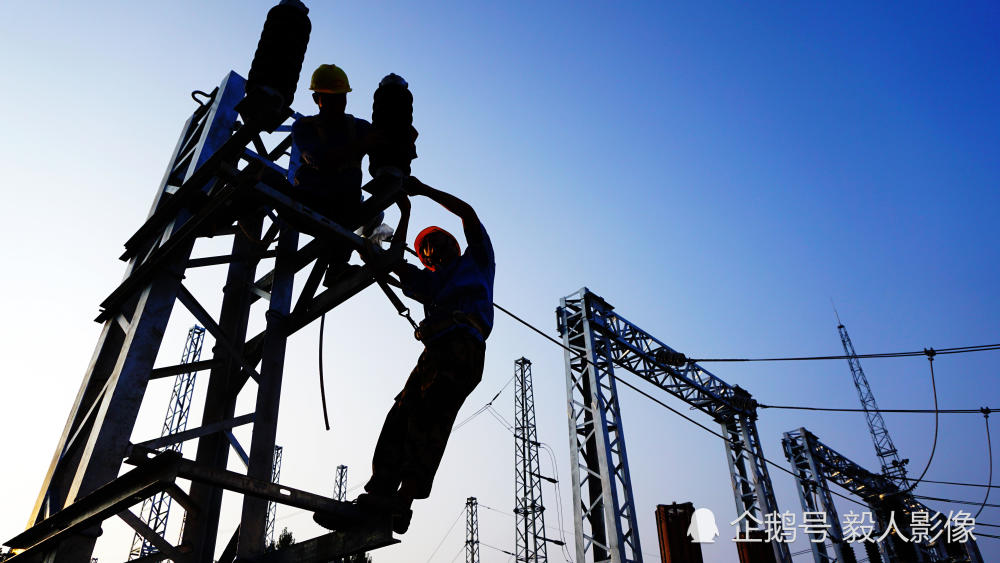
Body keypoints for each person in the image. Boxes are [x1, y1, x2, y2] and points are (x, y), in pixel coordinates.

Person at [315, 177, 494, 534]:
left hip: (462, 348)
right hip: (435, 354)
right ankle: (379, 496)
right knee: (400, 416)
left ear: (455, 246)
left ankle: (402, 503)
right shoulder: (426, 283)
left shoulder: (477, 262)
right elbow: (390, 262)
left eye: (438, 242)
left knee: (428, 420)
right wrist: (401, 217)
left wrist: (421, 191)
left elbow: (468, 214)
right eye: (426, 248)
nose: (432, 250)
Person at [291, 63, 376, 280]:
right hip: (308, 204)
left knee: (367, 212)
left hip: (344, 210)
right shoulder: (305, 127)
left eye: (340, 98)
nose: (337, 104)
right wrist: (362, 145)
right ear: (316, 99)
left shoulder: (360, 127)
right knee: (263, 180)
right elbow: (320, 160)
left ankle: (337, 267)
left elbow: (385, 144)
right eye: (330, 98)